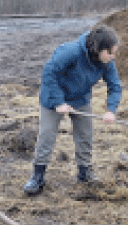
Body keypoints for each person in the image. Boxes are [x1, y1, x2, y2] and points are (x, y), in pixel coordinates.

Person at [23, 25, 122, 195]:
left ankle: (85, 173)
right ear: (98, 48)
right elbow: (48, 73)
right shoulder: (72, 52)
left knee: (85, 135)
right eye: (110, 52)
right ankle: (37, 176)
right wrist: (59, 102)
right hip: (53, 98)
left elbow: (115, 86)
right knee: (47, 135)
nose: (113, 56)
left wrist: (111, 110)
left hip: (80, 99)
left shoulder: (106, 63)